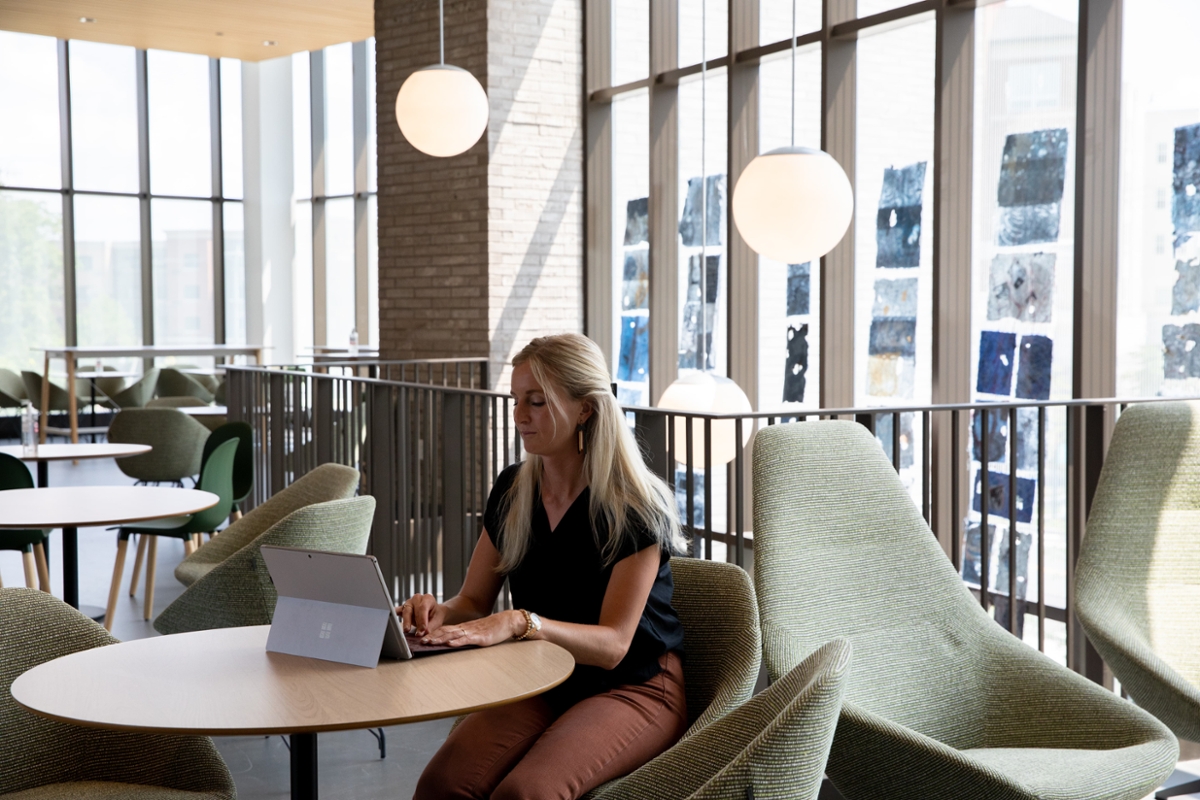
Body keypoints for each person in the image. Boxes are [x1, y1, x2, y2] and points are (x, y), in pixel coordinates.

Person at [404, 333, 689, 800]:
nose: (519, 415)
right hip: (544, 676)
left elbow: (615, 645)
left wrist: (521, 622)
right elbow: (473, 602)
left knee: (527, 794)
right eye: (516, 400)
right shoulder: (514, 490)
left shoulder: (635, 505)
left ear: (586, 409)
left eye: (536, 402)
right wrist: (433, 613)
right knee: (441, 785)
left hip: (634, 685)